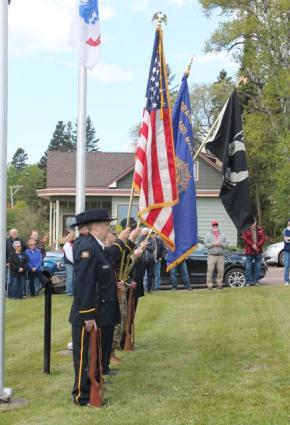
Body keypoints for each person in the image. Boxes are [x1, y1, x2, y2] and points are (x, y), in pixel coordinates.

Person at [69, 208, 122, 406]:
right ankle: (82, 396)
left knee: (94, 355)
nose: (109, 227)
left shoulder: (96, 246)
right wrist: (88, 314)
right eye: (106, 224)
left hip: (99, 310)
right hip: (88, 313)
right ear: (96, 227)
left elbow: (100, 277)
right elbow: (84, 283)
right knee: (85, 357)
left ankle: (94, 388)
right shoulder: (88, 247)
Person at [204, 220, 229, 290]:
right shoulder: (208, 234)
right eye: (213, 225)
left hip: (221, 255)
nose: (215, 226)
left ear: (218, 225)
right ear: (212, 226)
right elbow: (205, 244)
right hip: (211, 255)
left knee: (221, 271)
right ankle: (209, 285)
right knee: (210, 270)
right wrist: (213, 244)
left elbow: (227, 244)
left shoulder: (223, 234)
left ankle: (219, 285)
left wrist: (221, 244)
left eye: (216, 225)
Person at [242, 219, 266, 287]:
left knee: (258, 267)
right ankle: (248, 282)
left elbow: (263, 239)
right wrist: (253, 245)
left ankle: (256, 281)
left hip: (258, 251)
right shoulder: (246, 229)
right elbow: (245, 239)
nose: (253, 224)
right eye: (252, 222)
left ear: (256, 222)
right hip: (249, 251)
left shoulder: (260, 229)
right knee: (248, 267)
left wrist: (257, 245)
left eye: (254, 222)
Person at [140, 228, 156, 293]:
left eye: (147, 232)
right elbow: (138, 246)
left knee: (150, 275)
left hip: (150, 260)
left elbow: (153, 248)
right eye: (144, 232)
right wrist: (143, 246)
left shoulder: (152, 239)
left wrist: (145, 246)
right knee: (141, 275)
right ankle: (141, 289)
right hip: (142, 260)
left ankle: (149, 289)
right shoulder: (140, 239)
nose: (146, 234)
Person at [62, 231, 75, 296]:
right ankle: (69, 291)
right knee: (70, 278)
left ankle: (72, 291)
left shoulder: (72, 244)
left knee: (72, 278)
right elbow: (69, 256)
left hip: (72, 262)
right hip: (69, 263)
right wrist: (75, 262)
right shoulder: (67, 245)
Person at [283, 218, 290, 286]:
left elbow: (288, 239)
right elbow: (286, 239)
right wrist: (287, 238)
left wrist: (288, 238)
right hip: (287, 250)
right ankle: (286, 280)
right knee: (287, 265)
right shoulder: (286, 230)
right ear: (288, 222)